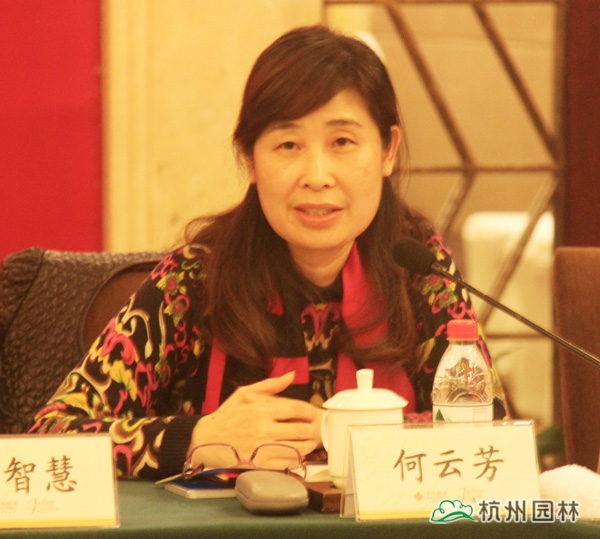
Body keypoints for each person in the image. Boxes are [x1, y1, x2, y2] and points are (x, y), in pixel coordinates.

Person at [30, 25, 507, 481]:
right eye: (288, 144)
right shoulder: (195, 280)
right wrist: (197, 437)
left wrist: (349, 433)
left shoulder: (420, 270)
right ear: (250, 160)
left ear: (387, 150)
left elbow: (487, 432)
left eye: (342, 142)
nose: (316, 176)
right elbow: (50, 436)